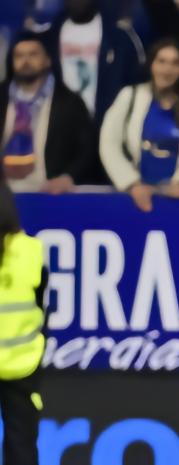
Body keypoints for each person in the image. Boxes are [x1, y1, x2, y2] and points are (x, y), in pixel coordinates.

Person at [99, 39, 179, 212]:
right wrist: (132, 183)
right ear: (152, 64)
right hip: (134, 198)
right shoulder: (130, 96)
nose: (167, 69)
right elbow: (108, 144)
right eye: (161, 61)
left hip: (178, 199)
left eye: (175, 63)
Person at [2, 32, 96, 193]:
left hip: (49, 193)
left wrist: (69, 177)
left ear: (47, 60)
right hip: (4, 194)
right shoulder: (2, 97)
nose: (25, 61)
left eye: (33, 54)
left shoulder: (70, 102)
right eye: (19, 56)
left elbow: (87, 149)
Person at [0, 178, 48, 465]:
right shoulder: (31, 251)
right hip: (22, 364)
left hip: (21, 366)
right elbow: (42, 306)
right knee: (22, 447)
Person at [44, 0, 145, 126]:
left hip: (107, 123)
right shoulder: (50, 36)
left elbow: (136, 81)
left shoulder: (119, 36)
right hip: (61, 124)